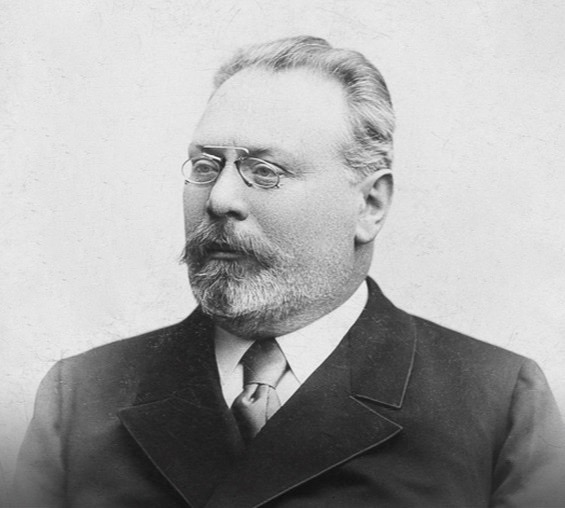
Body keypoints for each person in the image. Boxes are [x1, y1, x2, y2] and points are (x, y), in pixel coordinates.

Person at [12, 36, 565, 508]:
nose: (220, 199)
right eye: (206, 166)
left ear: (369, 205)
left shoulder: (496, 402)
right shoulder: (83, 396)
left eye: (265, 171)